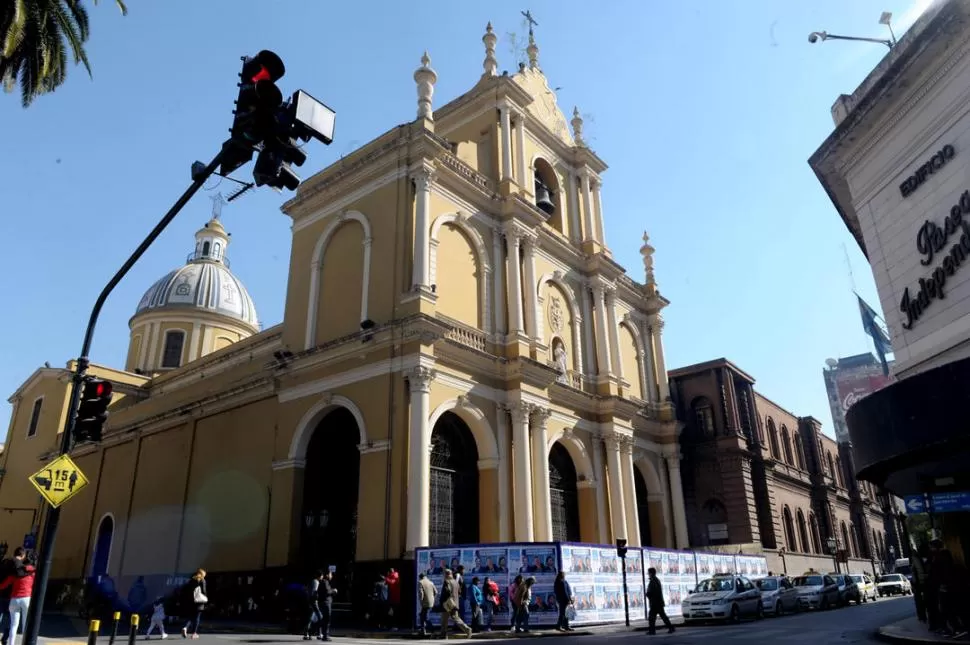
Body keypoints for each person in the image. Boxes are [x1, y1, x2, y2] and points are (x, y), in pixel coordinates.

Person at [0, 549, 36, 645]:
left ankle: (11, 643)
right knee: (25, 625)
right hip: (27, 599)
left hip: (14, 599)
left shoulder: (17, 572)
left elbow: (4, 584)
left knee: (13, 625)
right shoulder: (33, 573)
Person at [439, 570, 471, 638]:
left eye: (444, 574)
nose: (443, 576)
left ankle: (443, 634)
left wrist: (442, 601)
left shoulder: (447, 581)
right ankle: (467, 629)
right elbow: (459, 592)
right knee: (456, 618)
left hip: (447, 603)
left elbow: (446, 591)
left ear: (446, 574)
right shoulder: (455, 582)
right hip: (455, 603)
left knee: (444, 620)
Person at [180, 569, 207, 639]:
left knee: (190, 617)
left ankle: (185, 627)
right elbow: (203, 591)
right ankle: (194, 633)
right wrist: (205, 597)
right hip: (199, 602)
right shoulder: (202, 580)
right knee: (197, 618)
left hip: (191, 602)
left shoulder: (191, 580)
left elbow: (187, 591)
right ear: (203, 574)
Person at [646, 567, 674, 635]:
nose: (648, 574)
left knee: (652, 617)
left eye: (649, 573)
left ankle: (652, 631)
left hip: (655, 603)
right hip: (658, 602)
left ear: (651, 573)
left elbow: (654, 592)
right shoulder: (656, 580)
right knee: (662, 616)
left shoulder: (653, 581)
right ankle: (670, 628)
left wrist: (648, 594)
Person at [303, 571, 324, 641]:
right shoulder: (316, 582)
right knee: (320, 617)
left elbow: (306, 590)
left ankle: (307, 634)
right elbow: (314, 592)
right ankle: (318, 634)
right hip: (314, 602)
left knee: (310, 619)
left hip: (310, 602)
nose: (322, 577)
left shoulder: (312, 581)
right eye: (322, 575)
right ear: (320, 576)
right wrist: (316, 599)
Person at [317, 571, 337, 641]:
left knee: (324, 620)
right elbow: (327, 591)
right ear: (327, 575)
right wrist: (334, 591)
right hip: (326, 603)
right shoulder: (325, 582)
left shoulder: (323, 582)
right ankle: (325, 635)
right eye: (331, 574)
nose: (332, 576)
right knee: (327, 619)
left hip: (323, 602)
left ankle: (323, 634)